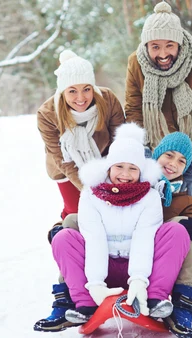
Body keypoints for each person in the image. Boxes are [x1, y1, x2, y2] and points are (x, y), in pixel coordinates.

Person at [124, 0, 192, 290]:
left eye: (168, 45)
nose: (162, 53)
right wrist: (143, 149)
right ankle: (161, 263)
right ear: (146, 46)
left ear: (179, 42)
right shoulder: (137, 63)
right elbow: (133, 109)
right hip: (157, 144)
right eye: (154, 47)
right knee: (156, 200)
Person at [50, 123, 190, 326]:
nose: (125, 174)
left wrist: (139, 280)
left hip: (142, 270)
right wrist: (96, 283)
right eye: (119, 167)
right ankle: (85, 304)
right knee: (63, 237)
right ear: (109, 167)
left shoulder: (149, 197)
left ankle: (154, 299)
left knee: (176, 231)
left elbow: (145, 237)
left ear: (140, 171)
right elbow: (94, 237)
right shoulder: (91, 194)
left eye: (133, 168)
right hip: (101, 267)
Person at [33, 50, 125, 332]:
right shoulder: (48, 113)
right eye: (72, 91)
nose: (81, 97)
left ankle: (111, 276)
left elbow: (121, 143)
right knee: (75, 219)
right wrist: (92, 190)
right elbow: (63, 159)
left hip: (108, 164)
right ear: (62, 91)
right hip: (68, 170)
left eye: (86, 89)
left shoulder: (107, 99)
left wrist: (113, 182)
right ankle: (65, 297)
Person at [153, 132, 192, 338]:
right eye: (169, 155)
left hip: (162, 263)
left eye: (181, 160)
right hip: (129, 258)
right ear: (156, 154)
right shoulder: (134, 179)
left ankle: (183, 303)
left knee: (183, 227)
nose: (173, 164)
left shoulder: (186, 200)